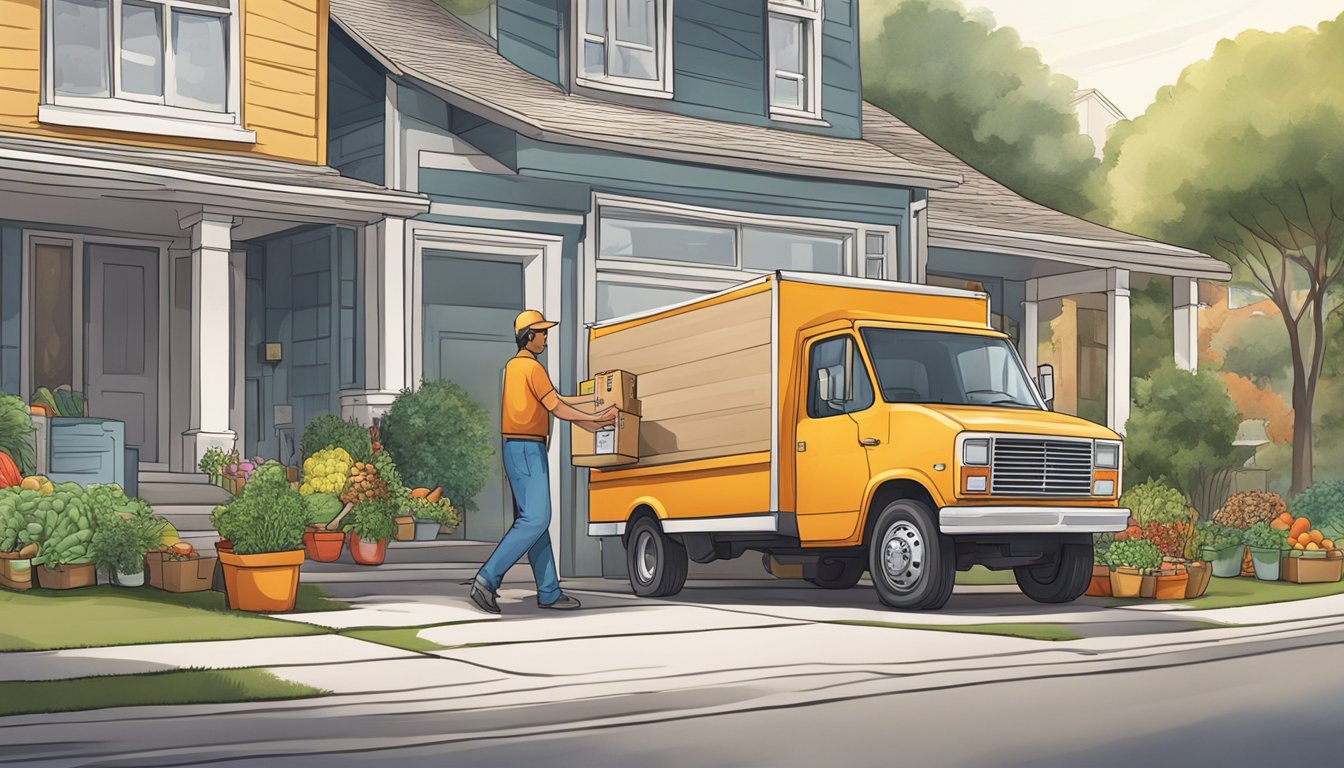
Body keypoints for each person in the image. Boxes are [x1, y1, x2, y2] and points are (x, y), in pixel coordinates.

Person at [470, 310, 617, 614]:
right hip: (527, 449)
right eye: (542, 333)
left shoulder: (513, 367)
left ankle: (549, 591)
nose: (546, 338)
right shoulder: (531, 368)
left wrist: (594, 422)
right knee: (536, 519)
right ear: (529, 336)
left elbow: (557, 406)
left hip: (515, 447)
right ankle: (487, 579)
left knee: (535, 521)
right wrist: (595, 417)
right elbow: (557, 406)